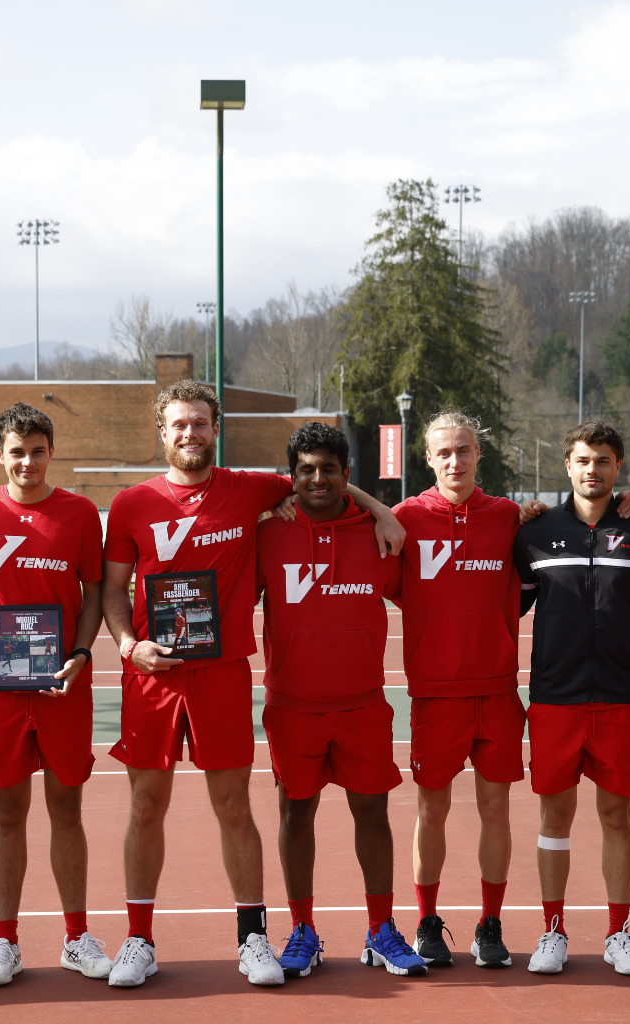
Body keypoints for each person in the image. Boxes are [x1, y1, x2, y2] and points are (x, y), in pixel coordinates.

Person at [99, 380, 404, 988]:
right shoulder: (132, 504)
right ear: (162, 431)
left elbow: (322, 482)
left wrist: (381, 509)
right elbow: (111, 590)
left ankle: (253, 938)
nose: (191, 433)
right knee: (145, 806)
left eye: (201, 423)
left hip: (224, 673)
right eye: (180, 424)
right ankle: (138, 939)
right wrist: (129, 647)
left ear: (217, 429)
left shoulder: (248, 489)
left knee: (234, 807)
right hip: (154, 676)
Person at [255, 422, 420, 978]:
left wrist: (383, 514)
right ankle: (303, 930)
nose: (318, 478)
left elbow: (426, 594)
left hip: (362, 704)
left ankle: (380, 930)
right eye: (306, 469)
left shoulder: (381, 535)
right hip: (292, 705)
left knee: (372, 812)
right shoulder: (267, 532)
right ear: (292, 476)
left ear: (347, 475)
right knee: (294, 814)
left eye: (329, 468)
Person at [0, 403, 112, 986]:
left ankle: (76, 937)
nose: (27, 462)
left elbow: (94, 593)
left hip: (62, 685)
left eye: (37, 451)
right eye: (16, 452)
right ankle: (6, 941)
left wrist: (79, 652)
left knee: (66, 810)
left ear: (52, 452)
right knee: (8, 813)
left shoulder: (76, 513)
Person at [513, 421, 630, 975]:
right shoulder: (534, 532)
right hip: (554, 697)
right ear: (568, 465)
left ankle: (617, 932)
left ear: (617, 467)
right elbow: (508, 610)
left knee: (616, 814)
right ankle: (552, 931)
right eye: (582, 460)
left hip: (621, 697)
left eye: (603, 460)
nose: (592, 470)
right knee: (555, 816)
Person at [395, 412, 527, 969]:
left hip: (496, 689)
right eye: (444, 452)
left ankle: (489, 924)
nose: (456, 461)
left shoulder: (510, 518)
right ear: (428, 458)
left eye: (465, 451)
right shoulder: (403, 519)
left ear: (480, 455)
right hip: (435, 692)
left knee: (496, 810)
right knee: (433, 810)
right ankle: (426, 922)